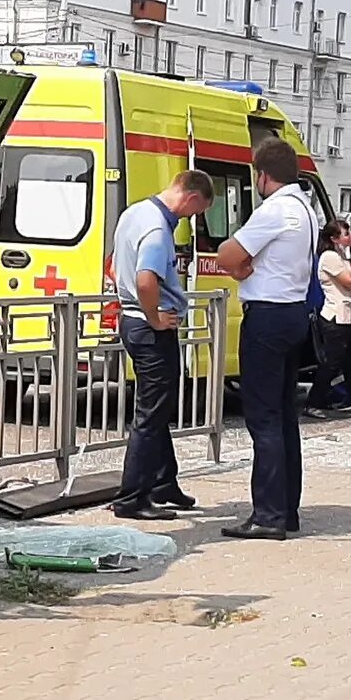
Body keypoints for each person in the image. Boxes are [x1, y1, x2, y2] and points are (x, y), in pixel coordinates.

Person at [209, 140, 319, 540]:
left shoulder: (274, 210)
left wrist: (239, 268)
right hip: (293, 314)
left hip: (268, 318)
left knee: (264, 418)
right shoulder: (305, 209)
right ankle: (286, 508)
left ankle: (268, 515)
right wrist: (245, 266)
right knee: (285, 416)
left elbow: (226, 255)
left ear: (262, 174)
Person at [109, 170, 216, 521]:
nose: (193, 217)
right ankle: (132, 498)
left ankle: (163, 483)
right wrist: (154, 316)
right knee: (151, 415)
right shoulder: (157, 229)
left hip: (131, 322)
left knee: (158, 408)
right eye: (197, 211)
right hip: (150, 328)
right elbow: (146, 279)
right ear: (192, 198)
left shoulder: (134, 213)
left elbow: (113, 267)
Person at [307, 221, 351, 415]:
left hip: (347, 317)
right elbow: (350, 281)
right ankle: (313, 403)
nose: (350, 236)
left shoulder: (342, 256)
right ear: (333, 238)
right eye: (345, 233)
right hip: (335, 318)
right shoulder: (330, 257)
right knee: (331, 364)